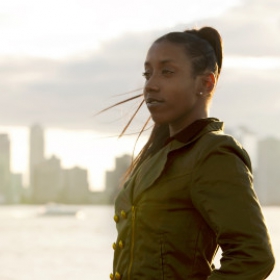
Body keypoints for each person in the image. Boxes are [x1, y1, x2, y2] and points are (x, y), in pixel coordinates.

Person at [109, 26, 275, 280]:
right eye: (147, 73)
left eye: (167, 72)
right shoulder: (157, 157)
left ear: (206, 83)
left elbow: (254, 257)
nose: (151, 85)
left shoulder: (214, 153)